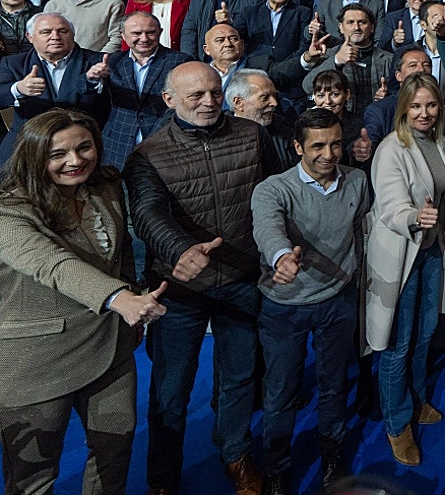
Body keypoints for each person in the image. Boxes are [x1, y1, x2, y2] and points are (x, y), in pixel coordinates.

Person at [125, 62, 282, 495]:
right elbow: (146, 213)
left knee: (239, 378)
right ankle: (162, 479)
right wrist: (180, 250)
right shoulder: (147, 155)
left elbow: (275, 193)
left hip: (243, 279)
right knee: (170, 393)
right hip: (180, 291)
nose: (209, 102)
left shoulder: (253, 135)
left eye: (215, 92)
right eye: (196, 96)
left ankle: (235, 454)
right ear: (169, 100)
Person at [0, 109, 167, 495]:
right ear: (35, 155)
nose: (75, 161)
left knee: (114, 453)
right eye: (58, 154)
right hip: (34, 362)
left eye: (84, 147)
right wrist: (119, 298)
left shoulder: (105, 185)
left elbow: (119, 249)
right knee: (34, 476)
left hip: (110, 349)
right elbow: (51, 263)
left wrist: (132, 292)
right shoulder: (8, 209)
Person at [251, 108, 370, 492]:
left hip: (338, 302)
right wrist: (281, 256)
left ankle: (332, 455)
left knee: (334, 384)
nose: (329, 153)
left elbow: (360, 231)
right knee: (281, 393)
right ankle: (277, 468)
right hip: (284, 306)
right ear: (297, 146)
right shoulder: (273, 188)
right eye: (318, 145)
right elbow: (268, 227)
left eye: (336, 143)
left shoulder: (357, 181)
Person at [363, 73, 445, 467]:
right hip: (400, 253)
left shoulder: (441, 141)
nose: (424, 113)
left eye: (431, 105)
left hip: (432, 249)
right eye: (416, 106)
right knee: (397, 343)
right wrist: (413, 217)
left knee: (424, 335)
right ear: (404, 108)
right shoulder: (391, 148)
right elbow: (389, 205)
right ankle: (397, 424)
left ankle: (416, 400)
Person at [0, 12, 110, 162]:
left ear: (73, 34)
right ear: (29, 37)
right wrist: (18, 89)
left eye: (62, 31)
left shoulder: (98, 62)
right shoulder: (13, 63)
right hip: (27, 141)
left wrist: (94, 82)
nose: (55, 37)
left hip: (82, 143)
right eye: (46, 32)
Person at [101, 12, 188, 169]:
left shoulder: (180, 61)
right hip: (117, 145)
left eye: (150, 33)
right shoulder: (112, 61)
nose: (144, 38)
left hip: (162, 144)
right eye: (136, 33)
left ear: (160, 33)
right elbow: (95, 99)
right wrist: (92, 80)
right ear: (123, 35)